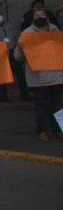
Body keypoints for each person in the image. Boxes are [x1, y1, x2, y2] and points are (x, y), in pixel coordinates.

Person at [14, 8, 63, 142]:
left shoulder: (56, 31)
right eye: (37, 16)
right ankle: (42, 130)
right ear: (33, 18)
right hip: (38, 78)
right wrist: (20, 47)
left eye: (42, 15)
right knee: (42, 104)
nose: (39, 17)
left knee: (57, 104)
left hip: (56, 75)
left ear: (47, 17)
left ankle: (57, 129)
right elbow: (18, 57)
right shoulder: (27, 33)